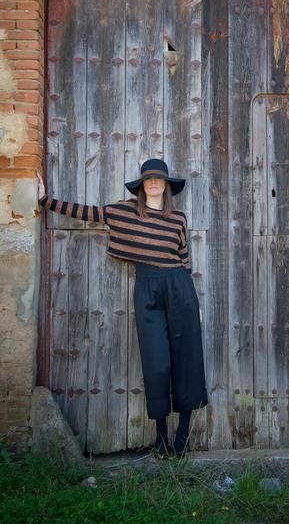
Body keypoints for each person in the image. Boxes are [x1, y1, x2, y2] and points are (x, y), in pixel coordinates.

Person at [37, 158, 208, 459]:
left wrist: (192, 301)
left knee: (186, 357)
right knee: (157, 362)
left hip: (180, 287)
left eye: (159, 179)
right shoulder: (124, 211)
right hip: (147, 287)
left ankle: (183, 433)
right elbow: (86, 213)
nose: (154, 183)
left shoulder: (178, 218)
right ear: (142, 185)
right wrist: (44, 199)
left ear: (166, 185)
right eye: (148, 179)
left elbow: (184, 258)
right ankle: (160, 436)